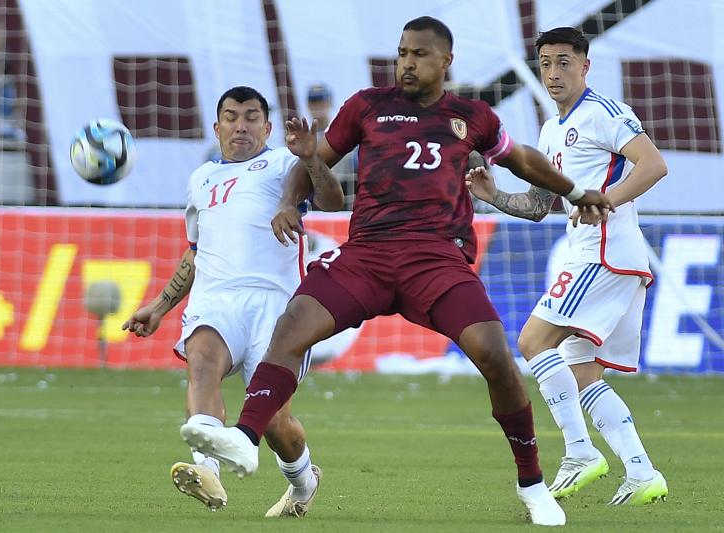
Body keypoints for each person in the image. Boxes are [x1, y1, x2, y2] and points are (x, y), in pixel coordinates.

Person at [182, 17, 615, 527]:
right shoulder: (368, 106)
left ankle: (533, 484)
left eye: (419, 55)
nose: (407, 63)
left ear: (445, 61)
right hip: (368, 254)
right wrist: (285, 200)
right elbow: (313, 162)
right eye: (402, 53)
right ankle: (247, 439)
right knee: (292, 323)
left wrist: (577, 192)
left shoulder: (470, 117)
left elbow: (522, 160)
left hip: (436, 260)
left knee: (496, 356)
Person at [465, 27, 669, 506]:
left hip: (603, 252)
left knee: (532, 341)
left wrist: (606, 199)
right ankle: (642, 472)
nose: (553, 73)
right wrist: (491, 195)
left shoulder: (604, 112)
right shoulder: (550, 130)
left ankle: (579, 452)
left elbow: (654, 164)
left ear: (585, 65)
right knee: (582, 374)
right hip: (599, 255)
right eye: (546, 63)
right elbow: (539, 205)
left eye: (564, 62)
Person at [122, 86, 333, 517]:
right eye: (232, 117)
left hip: (277, 307)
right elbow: (196, 252)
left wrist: (311, 157)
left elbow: (331, 201)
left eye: (252, 117)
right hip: (215, 299)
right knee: (201, 362)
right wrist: (160, 307)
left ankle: (304, 479)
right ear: (216, 128)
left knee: (276, 423)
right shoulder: (200, 179)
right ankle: (207, 472)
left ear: (268, 127)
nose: (241, 125)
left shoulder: (283, 164)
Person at [306, 83, 358, 209]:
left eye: (320, 100)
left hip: (344, 193)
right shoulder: (304, 138)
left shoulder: (342, 132)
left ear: (329, 102)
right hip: (314, 195)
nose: (317, 105)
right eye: (313, 101)